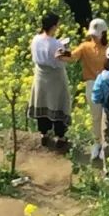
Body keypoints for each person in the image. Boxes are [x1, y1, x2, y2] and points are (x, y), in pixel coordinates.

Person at [27, 13, 72, 148]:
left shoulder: (35, 39)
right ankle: (60, 137)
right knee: (58, 104)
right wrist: (66, 50)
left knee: (42, 102)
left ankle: (44, 134)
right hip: (55, 77)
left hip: (40, 76)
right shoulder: (56, 44)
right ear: (53, 26)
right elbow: (62, 60)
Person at [70, 18, 109, 161]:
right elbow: (72, 57)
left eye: (96, 35)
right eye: (92, 35)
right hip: (92, 84)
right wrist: (62, 52)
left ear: (104, 34)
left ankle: (105, 145)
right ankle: (97, 143)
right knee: (96, 116)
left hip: (108, 84)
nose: (93, 37)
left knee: (107, 117)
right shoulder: (85, 47)